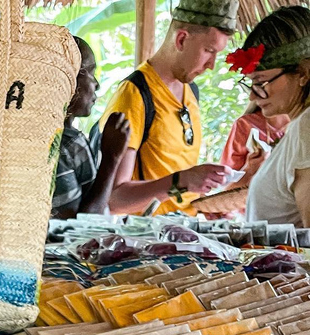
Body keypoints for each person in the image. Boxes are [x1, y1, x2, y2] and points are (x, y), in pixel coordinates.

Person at [98, 0, 239, 215]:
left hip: (182, 232)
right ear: (181, 39)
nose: (212, 65)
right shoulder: (134, 94)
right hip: (147, 240)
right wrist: (182, 181)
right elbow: (115, 200)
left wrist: (204, 205)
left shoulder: (191, 91)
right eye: (208, 50)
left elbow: (177, 191)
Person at [234, 6, 310, 227]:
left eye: (260, 83)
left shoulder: (306, 127)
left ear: (303, 73)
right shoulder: (299, 126)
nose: (252, 94)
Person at [51, 37, 131, 220]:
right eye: (90, 72)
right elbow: (75, 227)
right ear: (67, 80)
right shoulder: (59, 147)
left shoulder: (72, 140)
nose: (97, 84)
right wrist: (111, 159)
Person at [220, 102, 290, 172]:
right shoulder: (246, 124)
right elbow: (229, 178)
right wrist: (250, 170)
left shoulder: (299, 125)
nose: (251, 97)